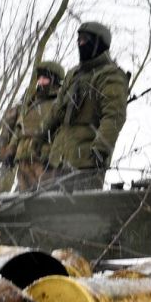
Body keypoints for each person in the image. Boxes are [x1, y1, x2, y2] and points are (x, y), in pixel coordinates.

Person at [40, 22, 129, 192]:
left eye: (85, 40)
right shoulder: (73, 74)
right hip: (57, 160)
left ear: (99, 43)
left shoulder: (110, 74)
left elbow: (113, 116)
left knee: (79, 214)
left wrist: (100, 149)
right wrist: (41, 139)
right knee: (46, 214)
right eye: (78, 40)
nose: (80, 44)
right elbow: (56, 112)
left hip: (86, 163)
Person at [12, 60, 64, 192]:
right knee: (21, 200)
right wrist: (12, 152)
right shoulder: (30, 102)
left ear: (55, 80)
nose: (40, 82)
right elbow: (19, 131)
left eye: (45, 78)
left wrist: (54, 156)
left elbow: (63, 133)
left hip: (44, 159)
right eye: (39, 78)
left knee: (45, 199)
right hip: (23, 158)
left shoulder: (59, 102)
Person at [0, 104, 20, 194]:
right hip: (11, 152)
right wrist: (3, 153)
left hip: (21, 151)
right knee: (5, 184)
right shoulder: (18, 110)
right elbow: (5, 133)